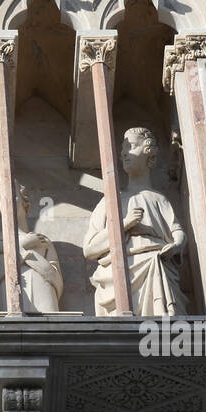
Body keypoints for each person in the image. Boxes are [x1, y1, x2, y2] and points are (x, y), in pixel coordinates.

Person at [83, 127, 187, 316]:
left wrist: (177, 244)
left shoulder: (159, 199)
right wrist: (124, 224)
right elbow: (89, 249)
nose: (123, 153)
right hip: (121, 272)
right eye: (123, 148)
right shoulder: (110, 200)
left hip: (156, 266)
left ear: (148, 153)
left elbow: (177, 230)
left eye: (130, 146)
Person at [0, 183, 63, 313]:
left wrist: (17, 249)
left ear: (24, 202)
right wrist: (24, 246)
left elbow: (55, 278)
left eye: (13, 195)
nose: (9, 201)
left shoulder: (41, 241)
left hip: (44, 305)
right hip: (7, 308)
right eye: (3, 198)